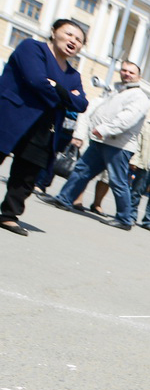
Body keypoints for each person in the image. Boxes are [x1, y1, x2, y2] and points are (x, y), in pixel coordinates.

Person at [0, 19, 88, 236]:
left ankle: (9, 215)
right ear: (53, 32)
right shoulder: (31, 47)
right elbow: (35, 80)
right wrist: (66, 95)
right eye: (69, 34)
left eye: (78, 40)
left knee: (27, 174)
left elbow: (82, 104)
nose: (73, 41)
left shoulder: (73, 75)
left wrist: (56, 86)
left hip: (44, 127)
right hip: (12, 114)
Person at [51, 60, 148, 231]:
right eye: (124, 70)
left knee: (117, 181)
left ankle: (125, 218)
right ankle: (64, 198)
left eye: (131, 72)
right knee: (82, 170)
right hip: (101, 140)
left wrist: (104, 129)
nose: (126, 74)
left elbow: (127, 118)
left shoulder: (139, 96)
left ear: (139, 76)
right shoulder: (117, 90)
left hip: (119, 144)